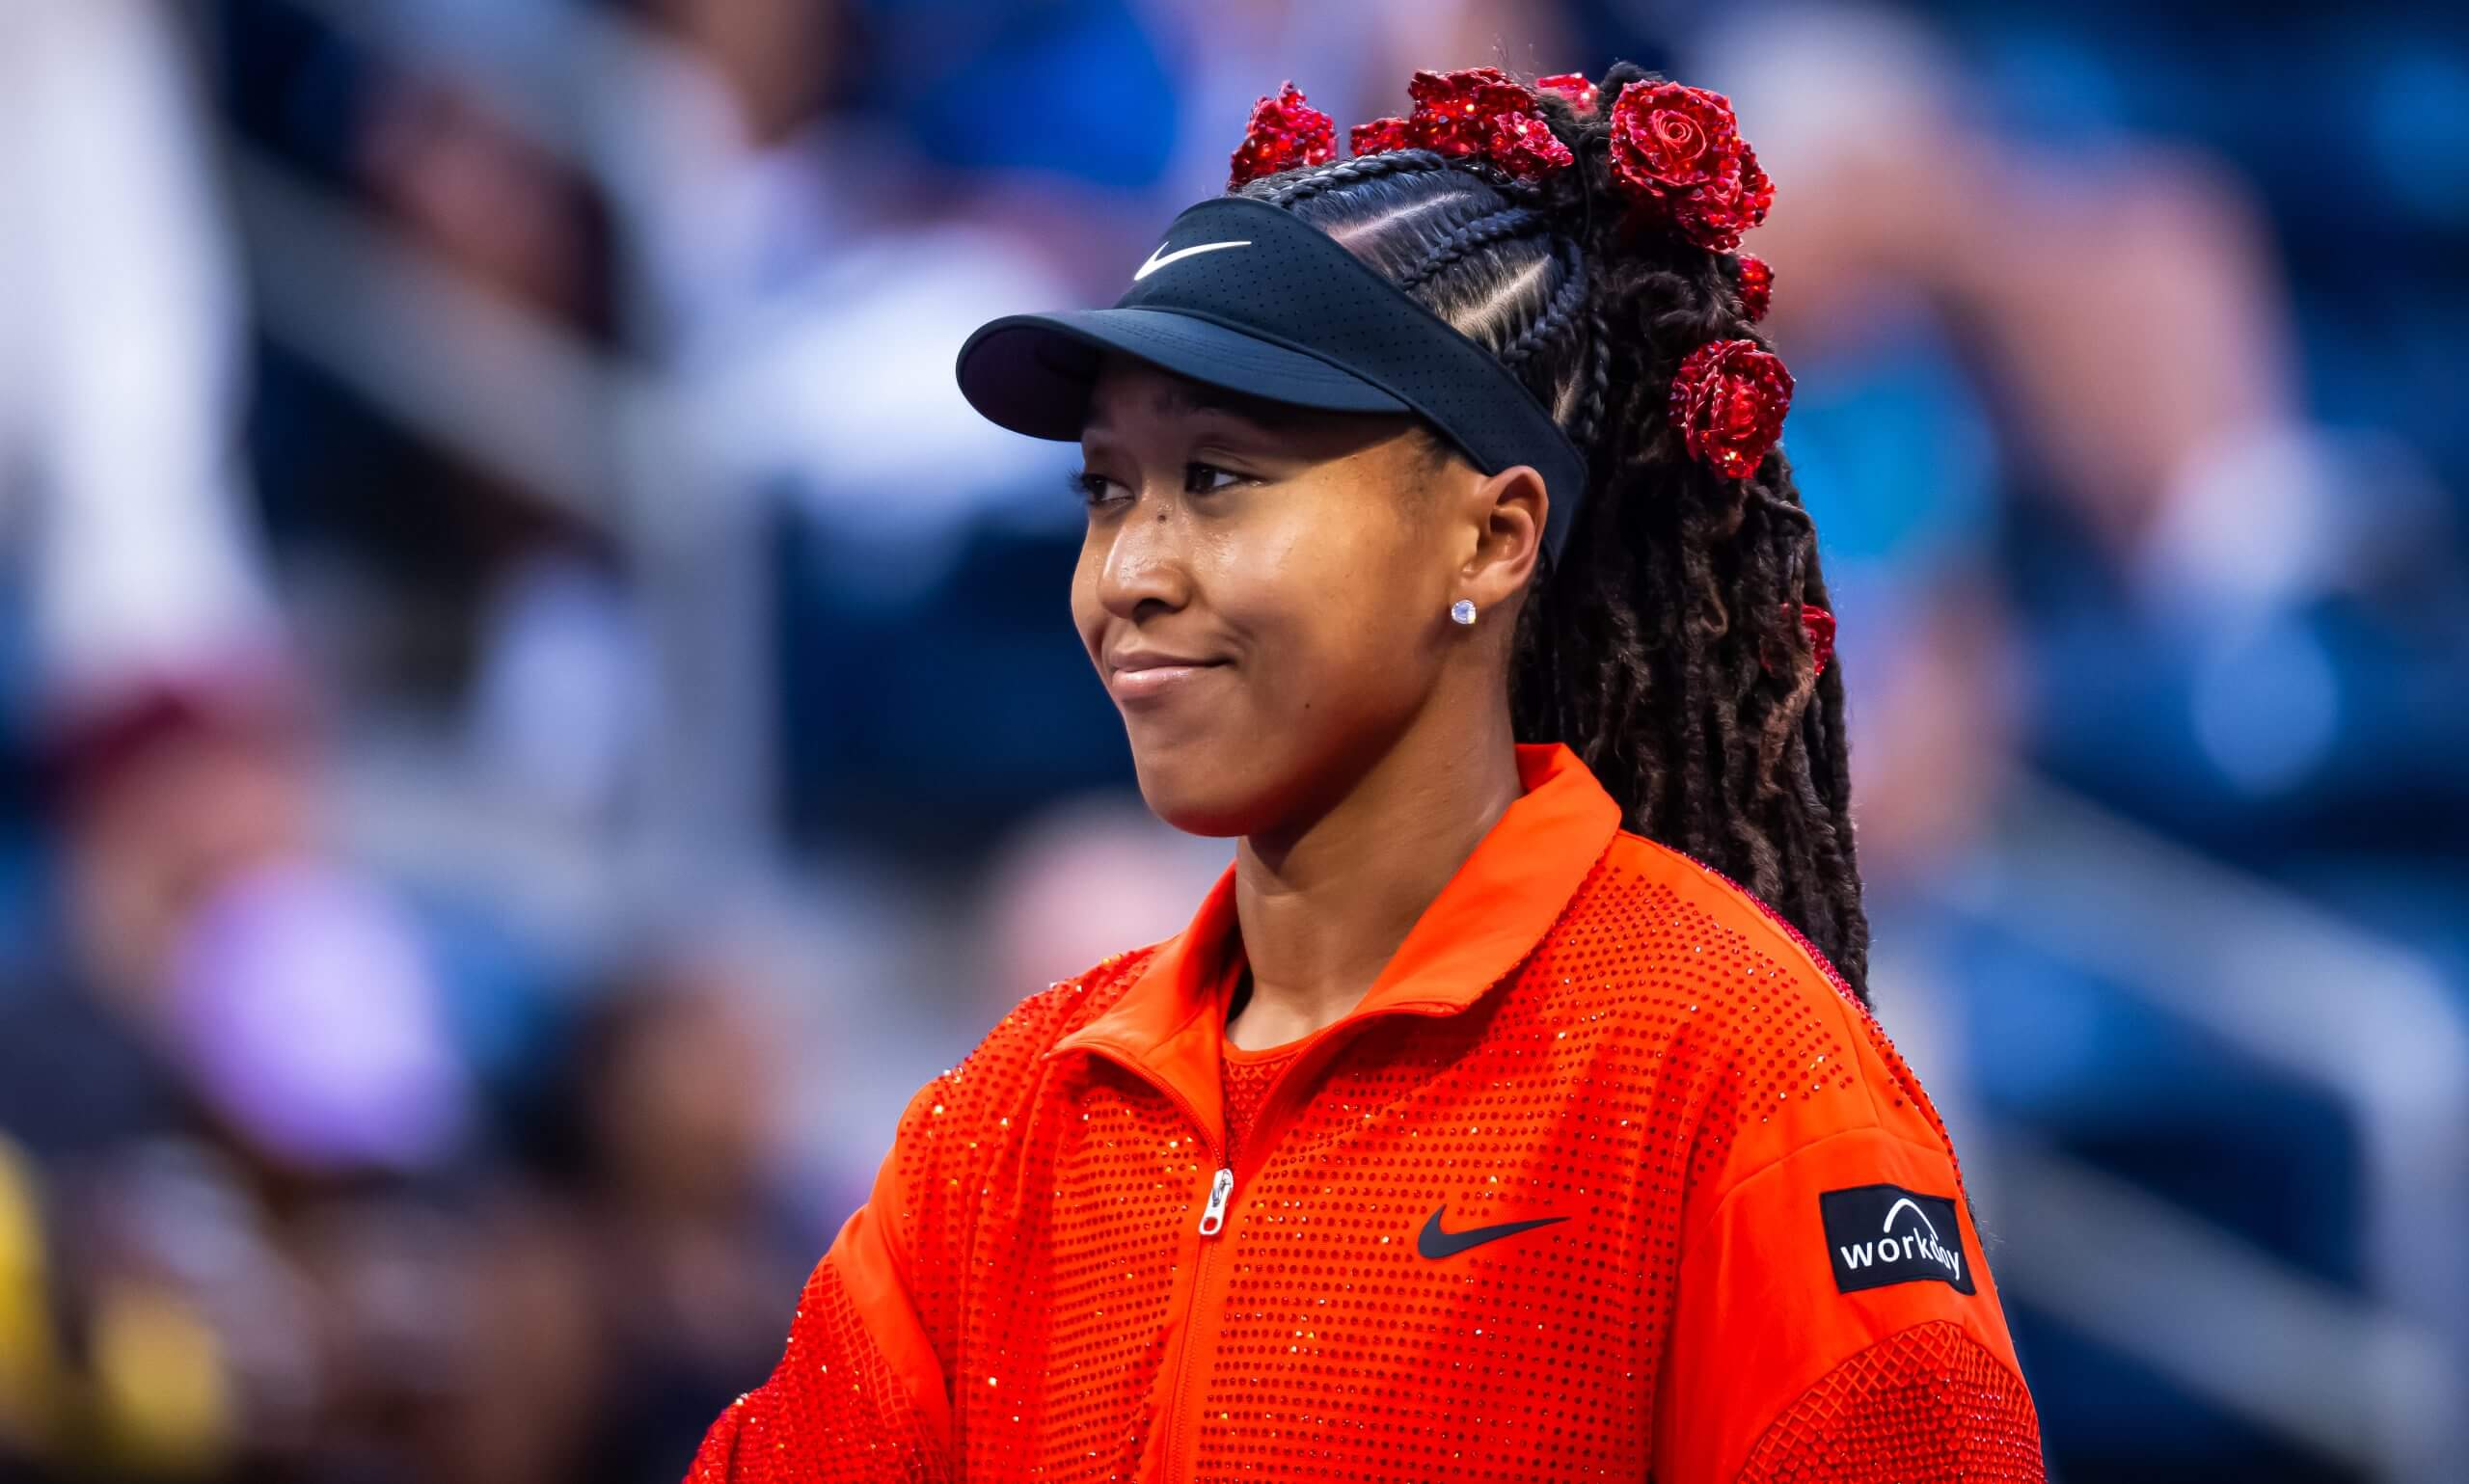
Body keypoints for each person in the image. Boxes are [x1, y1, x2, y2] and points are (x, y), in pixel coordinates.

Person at [688, 62, 2044, 1482]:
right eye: (1107, 488)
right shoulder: (1011, 1124)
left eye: (1220, 478)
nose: (1130, 573)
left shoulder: (1734, 1074)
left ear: (1490, 539)